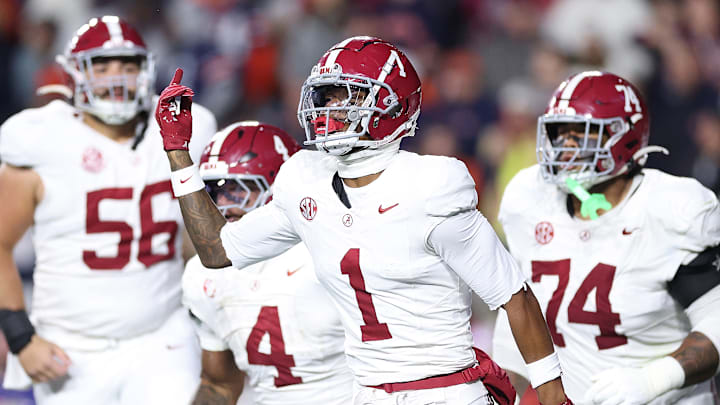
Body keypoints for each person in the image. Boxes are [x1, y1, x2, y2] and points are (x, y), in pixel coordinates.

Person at [155, 37, 573, 405]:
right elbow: (218, 251)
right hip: (368, 394)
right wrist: (178, 152)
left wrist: (552, 394)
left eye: (348, 97)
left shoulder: (430, 186)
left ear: (393, 104)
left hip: (445, 390)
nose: (331, 110)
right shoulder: (306, 181)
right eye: (327, 97)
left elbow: (513, 296)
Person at [0, 15, 217, 404]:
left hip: (163, 337)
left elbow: (196, 238)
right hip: (71, 346)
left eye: (128, 65)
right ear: (75, 73)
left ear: (146, 70)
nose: (116, 77)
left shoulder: (186, 127)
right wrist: (21, 338)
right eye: (101, 66)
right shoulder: (40, 138)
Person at [492, 71, 720, 404]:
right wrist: (502, 392)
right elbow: (519, 309)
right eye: (560, 133)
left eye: (581, 134)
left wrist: (655, 379)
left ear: (623, 137)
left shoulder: (669, 209)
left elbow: (716, 320)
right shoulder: (530, 198)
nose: (566, 147)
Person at [182, 121, 354, 405]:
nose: (222, 203)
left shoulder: (328, 251)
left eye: (237, 189)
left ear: (280, 188)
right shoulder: (203, 275)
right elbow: (219, 385)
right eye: (214, 191)